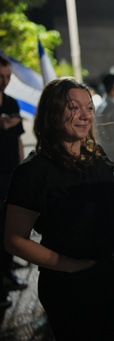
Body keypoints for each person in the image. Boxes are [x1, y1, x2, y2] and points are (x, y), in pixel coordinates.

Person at [4, 77, 114, 340]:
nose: (84, 115)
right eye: (72, 107)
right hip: (69, 286)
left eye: (89, 107)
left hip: (109, 275)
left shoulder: (96, 156)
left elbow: (108, 204)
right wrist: (67, 265)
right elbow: (13, 240)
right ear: (52, 112)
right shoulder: (33, 171)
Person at [0, 53, 27, 309]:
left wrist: (21, 171)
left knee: (8, 226)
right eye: (1, 76)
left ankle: (7, 273)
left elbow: (19, 138)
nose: (4, 81)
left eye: (8, 77)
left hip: (9, 173)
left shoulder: (11, 102)